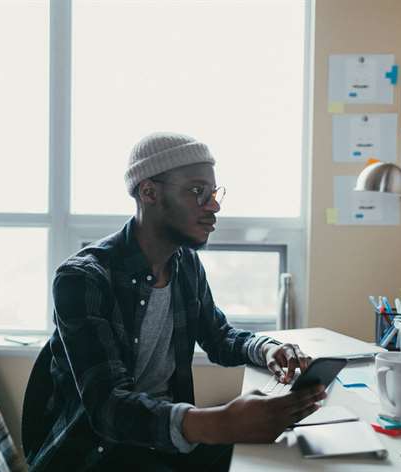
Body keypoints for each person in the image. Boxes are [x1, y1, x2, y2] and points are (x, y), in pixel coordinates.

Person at [26, 132, 325, 471]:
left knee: (287, 456)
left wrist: (267, 348)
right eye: (197, 191)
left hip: (165, 444)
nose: (214, 205)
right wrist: (221, 423)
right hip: (99, 454)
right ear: (149, 192)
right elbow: (109, 408)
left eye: (213, 193)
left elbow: (218, 337)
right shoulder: (84, 278)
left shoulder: (184, 263)